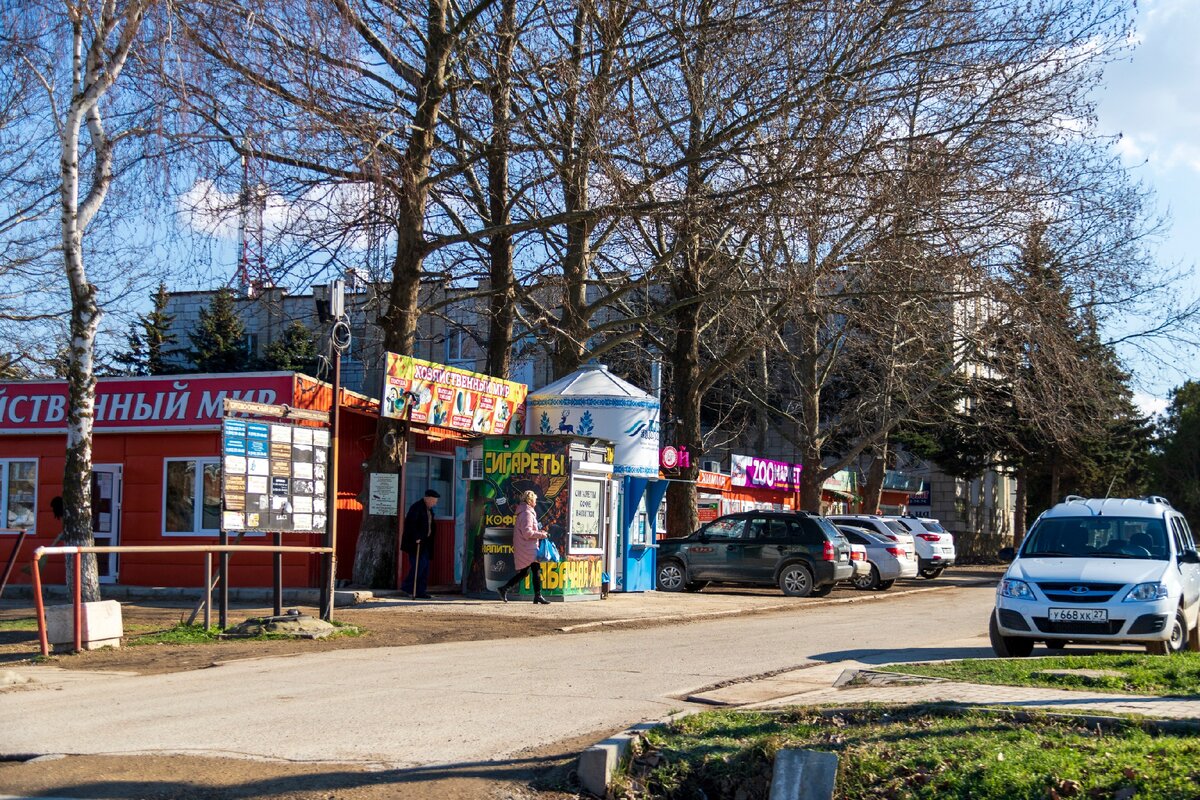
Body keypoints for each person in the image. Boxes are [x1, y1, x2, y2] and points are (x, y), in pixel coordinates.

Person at [497, 490, 550, 604]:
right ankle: (537, 596)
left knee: (526, 572)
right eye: (535, 499)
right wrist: (542, 535)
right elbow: (527, 533)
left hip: (526, 546)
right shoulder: (527, 514)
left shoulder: (525, 512)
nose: (536, 501)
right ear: (530, 501)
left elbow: (528, 530)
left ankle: (505, 589)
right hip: (527, 547)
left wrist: (539, 532)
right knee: (534, 570)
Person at [401, 489, 440, 599]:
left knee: (425, 568)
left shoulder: (429, 510)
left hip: (425, 543)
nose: (435, 503)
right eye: (434, 501)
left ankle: (420, 591)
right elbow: (410, 524)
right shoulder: (417, 507)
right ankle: (408, 588)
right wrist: (416, 537)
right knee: (419, 566)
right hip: (416, 544)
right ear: (428, 499)